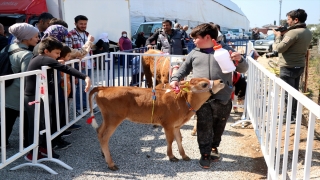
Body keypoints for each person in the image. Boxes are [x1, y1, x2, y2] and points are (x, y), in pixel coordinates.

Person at [170, 23, 248, 169]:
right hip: (201, 98)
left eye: (195, 38)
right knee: (204, 125)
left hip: (223, 95)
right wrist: (175, 79)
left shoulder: (226, 51)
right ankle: (205, 153)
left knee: (220, 124)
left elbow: (243, 69)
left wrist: (240, 59)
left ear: (207, 37)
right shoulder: (194, 53)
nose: (193, 40)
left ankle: (214, 147)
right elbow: (184, 69)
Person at [24, 36, 91, 161]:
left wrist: (56, 62)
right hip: (33, 97)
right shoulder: (44, 59)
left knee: (42, 123)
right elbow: (66, 68)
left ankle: (42, 146)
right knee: (36, 125)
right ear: (46, 51)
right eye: (56, 53)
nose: (58, 56)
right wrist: (85, 77)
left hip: (39, 96)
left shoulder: (42, 58)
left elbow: (57, 64)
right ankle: (31, 153)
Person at [0, 23, 39, 147]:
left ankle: (2, 143)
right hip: (19, 93)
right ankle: (28, 145)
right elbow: (28, 77)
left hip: (5, 90)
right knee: (27, 120)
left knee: (7, 121)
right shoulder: (26, 54)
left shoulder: (7, 47)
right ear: (27, 38)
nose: (38, 39)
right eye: (36, 36)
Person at [272, 9, 312, 124]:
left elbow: (279, 48)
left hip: (288, 67)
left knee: (287, 94)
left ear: (296, 20)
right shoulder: (307, 32)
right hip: (299, 66)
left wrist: (279, 36)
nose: (287, 22)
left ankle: (289, 117)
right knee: (294, 92)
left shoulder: (292, 33)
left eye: (289, 20)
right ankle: (293, 115)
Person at [65, 15, 94, 127]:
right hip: (77, 65)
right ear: (75, 23)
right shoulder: (70, 34)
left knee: (86, 86)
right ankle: (79, 108)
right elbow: (69, 51)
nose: (83, 26)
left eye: (85, 24)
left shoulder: (87, 34)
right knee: (79, 86)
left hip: (88, 64)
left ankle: (85, 106)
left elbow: (90, 49)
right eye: (81, 24)